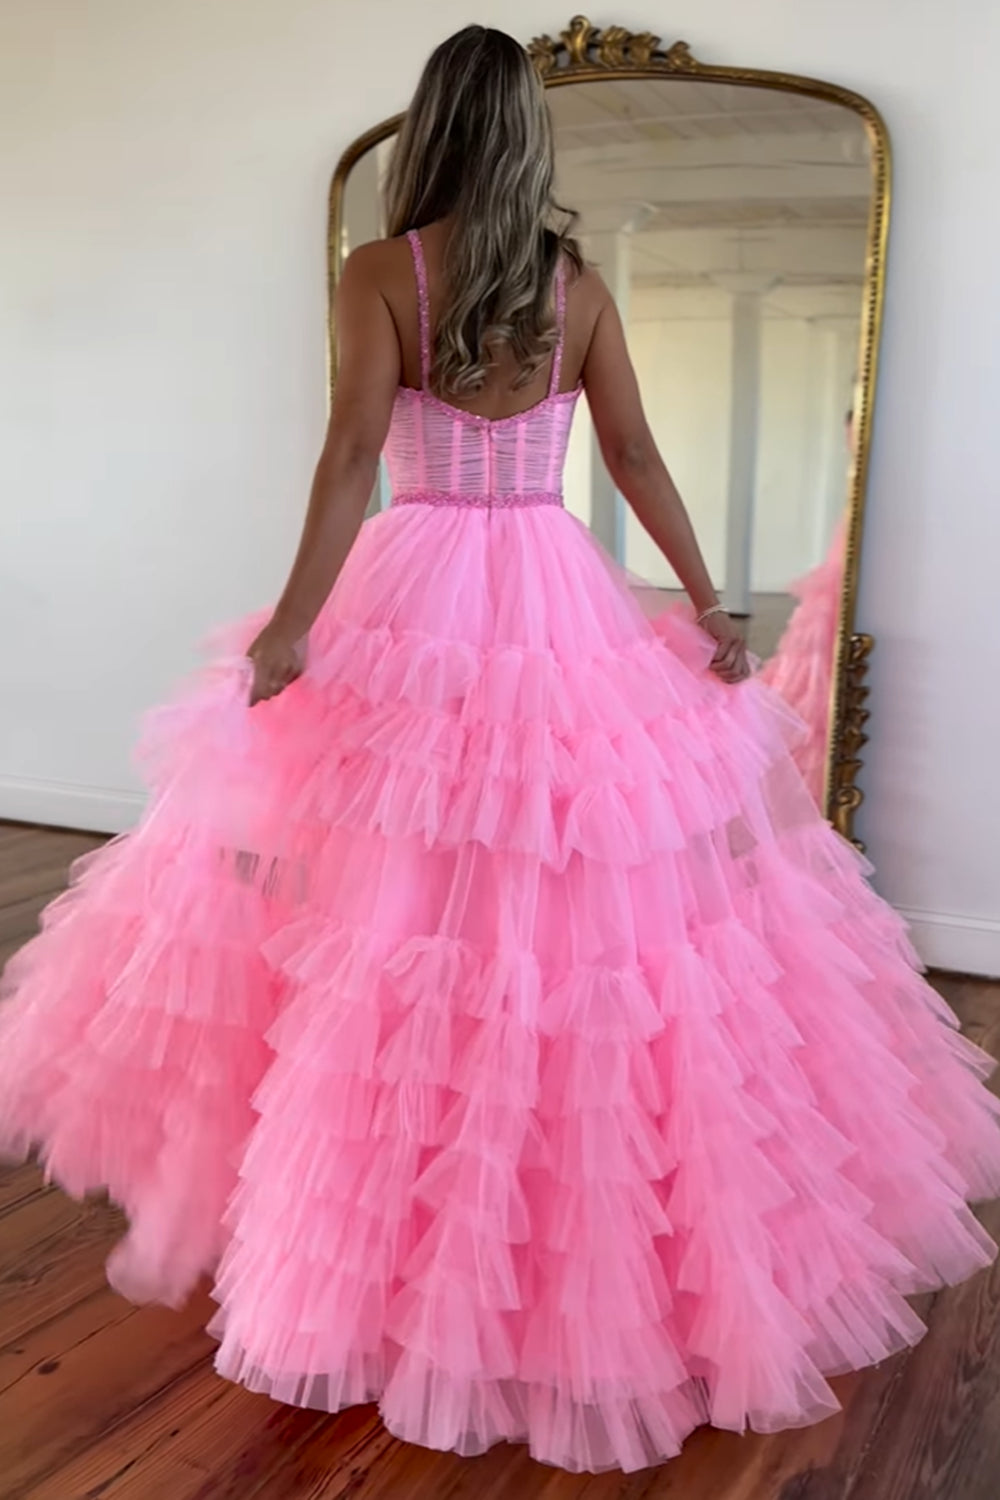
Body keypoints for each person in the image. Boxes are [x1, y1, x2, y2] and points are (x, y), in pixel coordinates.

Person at [1, 25, 998, 1477]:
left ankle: (378, 1231)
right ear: (531, 134)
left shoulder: (379, 271)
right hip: (547, 581)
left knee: (390, 884)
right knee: (566, 885)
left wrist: (296, 625)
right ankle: (555, 1218)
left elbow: (353, 454)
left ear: (430, 131)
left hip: (414, 584)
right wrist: (707, 599)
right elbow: (636, 457)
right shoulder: (571, 284)